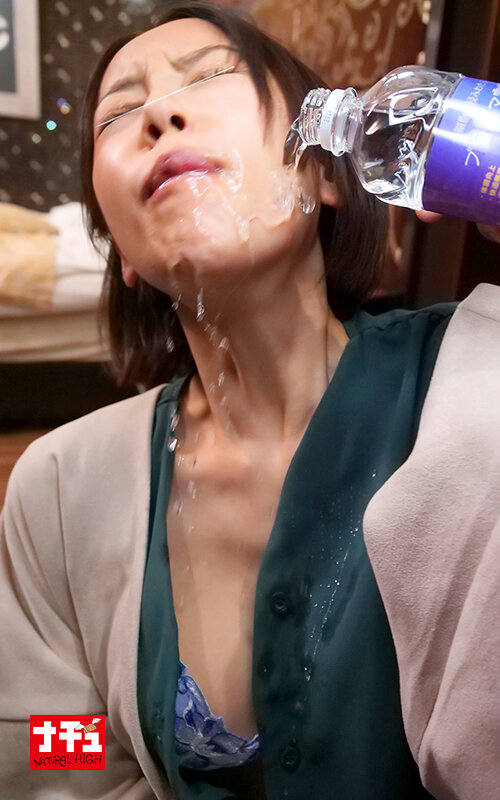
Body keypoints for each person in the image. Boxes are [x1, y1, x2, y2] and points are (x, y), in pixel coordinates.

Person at [1, 2, 499, 799]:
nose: (159, 115)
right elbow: (46, 746)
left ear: (326, 172)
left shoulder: (477, 383)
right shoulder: (58, 490)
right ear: (121, 250)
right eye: (119, 115)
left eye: (209, 77)